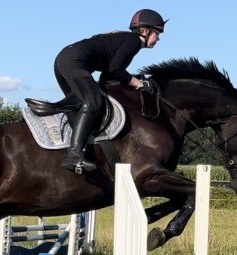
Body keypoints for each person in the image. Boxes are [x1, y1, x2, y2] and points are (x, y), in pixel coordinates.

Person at [54, 9, 167, 174]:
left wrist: (136, 80)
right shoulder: (133, 42)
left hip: (65, 61)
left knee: (81, 106)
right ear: (145, 30)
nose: (159, 38)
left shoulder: (125, 41)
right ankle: (73, 156)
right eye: (157, 33)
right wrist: (140, 84)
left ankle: (78, 150)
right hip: (73, 62)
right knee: (93, 101)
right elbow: (116, 71)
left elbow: (108, 75)